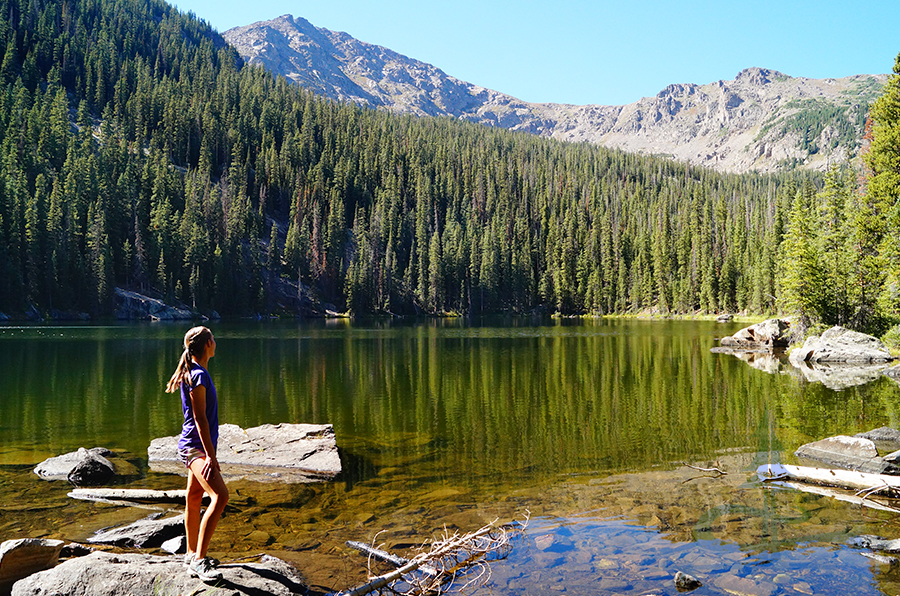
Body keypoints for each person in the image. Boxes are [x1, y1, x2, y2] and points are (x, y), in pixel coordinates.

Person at [165, 326, 229, 583]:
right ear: (207, 346)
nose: (216, 341)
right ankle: (199, 561)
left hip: (194, 446)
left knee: (193, 496)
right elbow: (200, 418)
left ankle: (191, 553)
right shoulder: (198, 376)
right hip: (195, 448)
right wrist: (211, 457)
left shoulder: (195, 371)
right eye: (213, 338)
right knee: (220, 497)